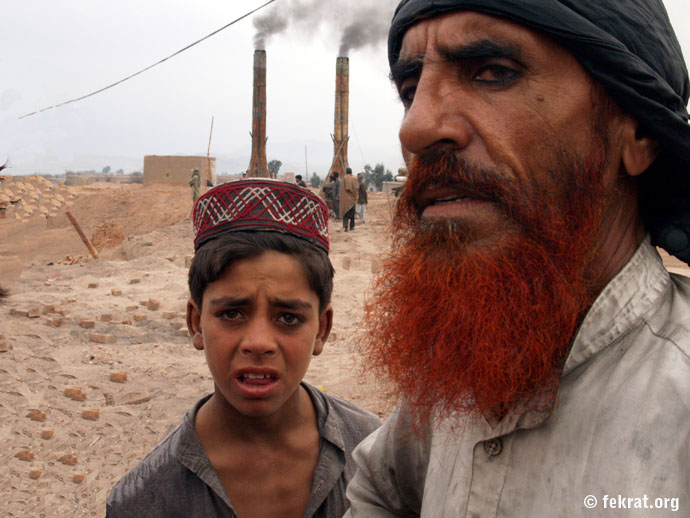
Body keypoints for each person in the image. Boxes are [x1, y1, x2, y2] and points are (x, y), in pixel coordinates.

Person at [345, 0, 690, 516]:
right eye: (410, 91)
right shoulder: (464, 357)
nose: (414, 130)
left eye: (493, 73)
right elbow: (381, 485)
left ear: (636, 130)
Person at [107, 179, 381, 517]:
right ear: (196, 323)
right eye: (232, 313)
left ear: (322, 329)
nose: (258, 343)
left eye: (288, 318)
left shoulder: (377, 456)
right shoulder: (145, 501)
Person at [340, 168, 358, 232]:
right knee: (352, 214)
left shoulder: (344, 178)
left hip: (345, 200)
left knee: (345, 214)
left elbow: (344, 189)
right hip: (352, 200)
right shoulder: (355, 178)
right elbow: (356, 189)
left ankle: (346, 227)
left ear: (346, 172)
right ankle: (352, 226)